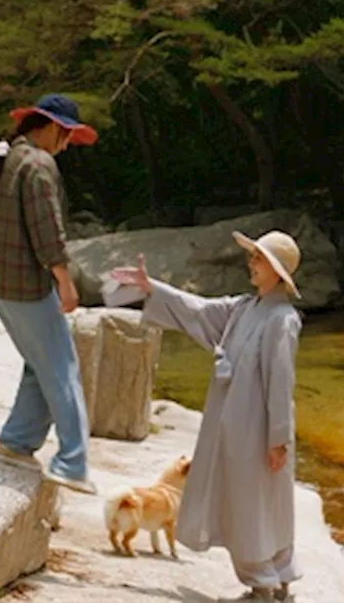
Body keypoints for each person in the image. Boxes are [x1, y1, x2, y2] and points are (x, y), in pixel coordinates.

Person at [110, 230, 303, 602]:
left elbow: (281, 381)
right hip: (235, 424)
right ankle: (271, 584)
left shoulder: (282, 318)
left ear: (278, 271)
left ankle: (267, 585)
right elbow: (198, 310)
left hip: (258, 429)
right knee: (254, 500)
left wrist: (279, 438)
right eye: (253, 257)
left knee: (255, 502)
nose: (252, 263)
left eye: (259, 258)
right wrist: (154, 288)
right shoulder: (244, 308)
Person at [0, 93, 100, 495]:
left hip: (2, 288)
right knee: (62, 368)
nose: (66, 147)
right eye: (67, 137)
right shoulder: (39, 166)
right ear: (53, 128)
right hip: (29, 287)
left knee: (37, 364)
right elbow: (48, 231)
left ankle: (14, 442)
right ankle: (72, 463)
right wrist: (65, 280)